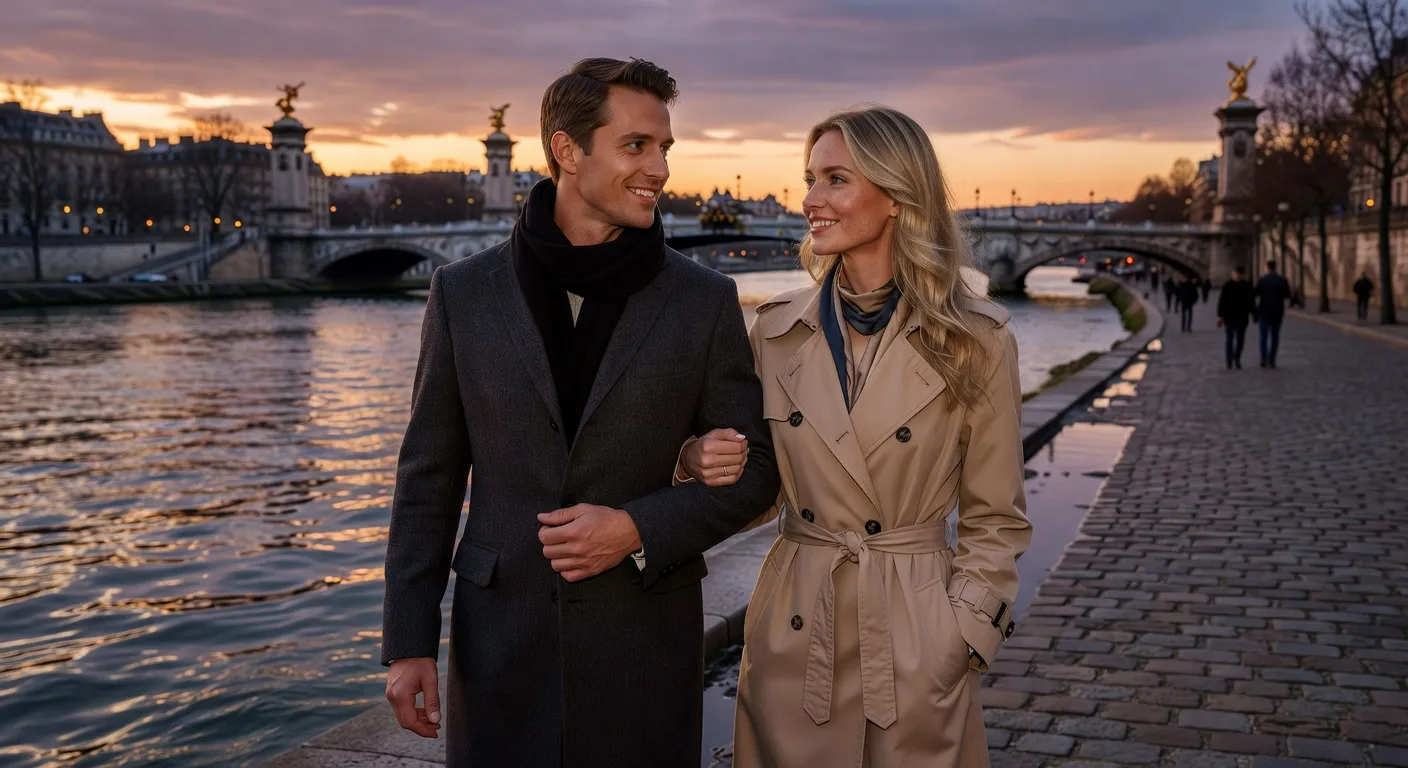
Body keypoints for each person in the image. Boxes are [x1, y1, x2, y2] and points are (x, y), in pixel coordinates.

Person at [380, 58, 780, 767]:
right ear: (567, 150)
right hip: (500, 648)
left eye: (664, 148)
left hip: (644, 649)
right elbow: (429, 478)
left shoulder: (702, 300)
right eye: (636, 146)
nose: (659, 168)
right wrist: (409, 641)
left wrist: (635, 527)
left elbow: (758, 474)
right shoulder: (464, 293)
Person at [679, 106, 1031, 767]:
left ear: (896, 194)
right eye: (809, 179)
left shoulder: (978, 342)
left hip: (916, 630)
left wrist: (960, 638)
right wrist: (695, 460)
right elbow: (761, 492)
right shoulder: (776, 332)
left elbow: (996, 519)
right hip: (795, 628)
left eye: (834, 179)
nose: (809, 200)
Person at [1254, 259, 1293, 368]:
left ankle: (1263, 358)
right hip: (1277, 311)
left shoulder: (1262, 280)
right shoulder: (1282, 280)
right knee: (1275, 336)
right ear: (1276, 267)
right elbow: (1287, 295)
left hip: (1264, 311)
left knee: (1263, 336)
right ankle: (1272, 360)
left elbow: (1255, 293)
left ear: (1267, 267)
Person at [1217, 266, 1256, 369]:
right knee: (1229, 339)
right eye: (1235, 274)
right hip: (1229, 317)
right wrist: (1220, 316)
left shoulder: (1246, 286)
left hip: (1242, 317)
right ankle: (1229, 361)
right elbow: (1222, 301)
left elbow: (1251, 302)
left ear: (1241, 275)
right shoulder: (1227, 285)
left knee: (1240, 340)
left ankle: (1237, 358)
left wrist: (1254, 314)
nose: (1236, 276)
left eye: (1238, 274)